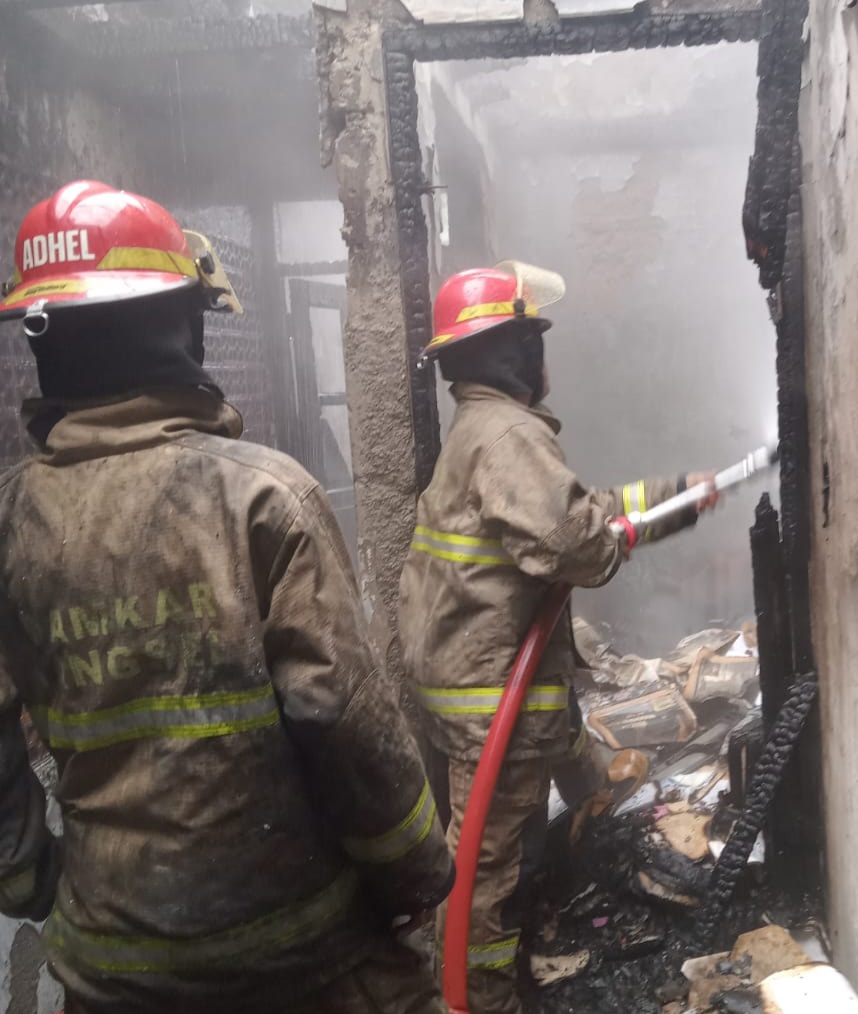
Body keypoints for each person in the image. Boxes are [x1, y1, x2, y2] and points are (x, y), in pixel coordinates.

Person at [0, 180, 454, 1014]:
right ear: (181, 326)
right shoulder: (260, 498)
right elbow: (343, 721)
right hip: (297, 958)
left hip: (108, 971)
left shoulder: (9, 521)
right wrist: (418, 869)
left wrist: (31, 877)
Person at [397, 262, 717, 1014]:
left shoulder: (480, 432)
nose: (545, 359)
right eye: (536, 340)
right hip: (493, 698)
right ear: (510, 350)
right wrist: (612, 541)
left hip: (475, 683)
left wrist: (675, 500)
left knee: (576, 764)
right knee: (483, 868)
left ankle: (594, 835)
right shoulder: (508, 434)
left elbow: (592, 508)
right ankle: (477, 996)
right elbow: (580, 542)